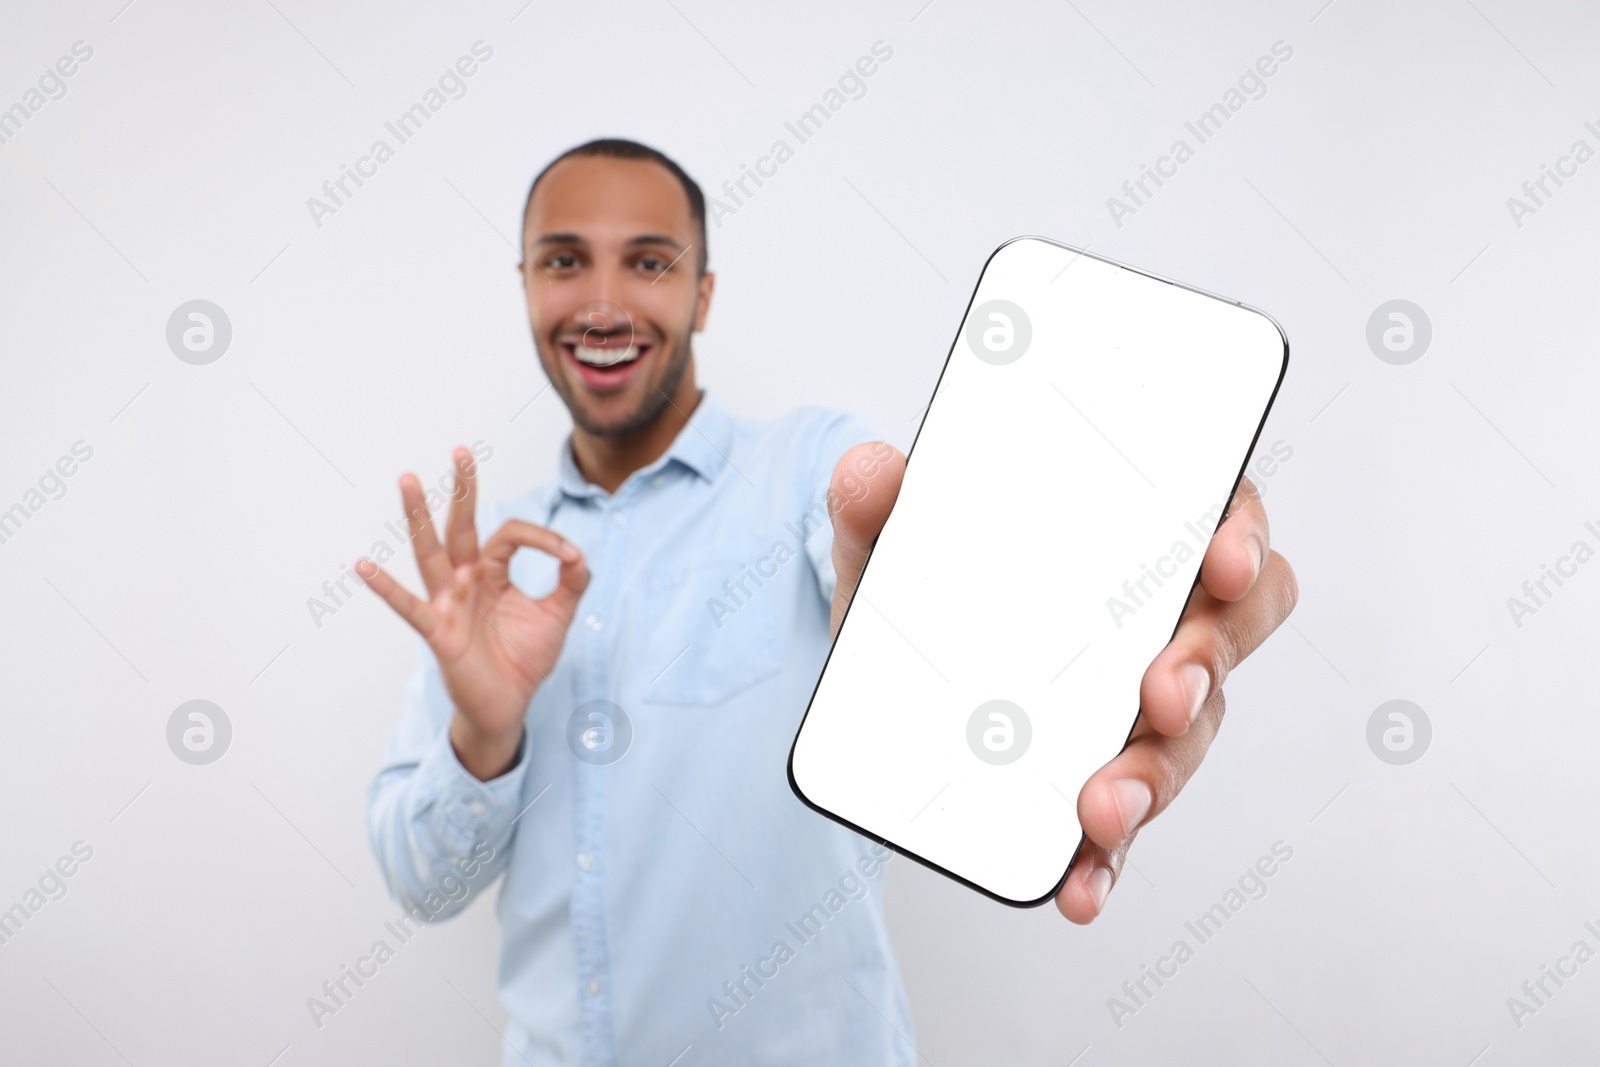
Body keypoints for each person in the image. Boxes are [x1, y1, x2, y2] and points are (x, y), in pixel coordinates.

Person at [357, 138, 1298, 1066]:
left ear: (704, 293)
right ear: (526, 283)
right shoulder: (484, 576)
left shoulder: (809, 463)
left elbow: (910, 557)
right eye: (565, 261)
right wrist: (484, 735)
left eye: (649, 261)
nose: (602, 302)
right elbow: (424, 888)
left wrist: (1083, 543)